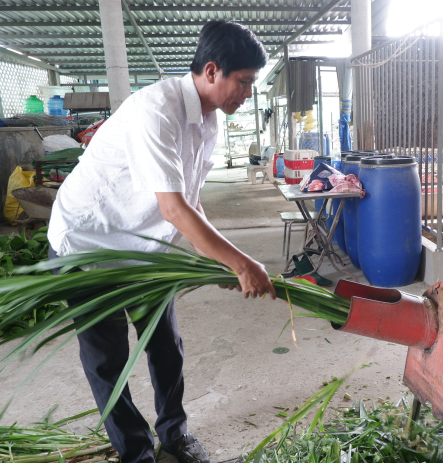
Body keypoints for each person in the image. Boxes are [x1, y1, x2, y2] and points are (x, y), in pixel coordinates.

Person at [47, 20, 276, 463]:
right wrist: (244, 263)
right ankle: (136, 453)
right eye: (244, 82)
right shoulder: (155, 110)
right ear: (212, 71)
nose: (247, 94)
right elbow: (174, 209)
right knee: (108, 361)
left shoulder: (208, 120)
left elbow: (189, 202)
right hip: (89, 245)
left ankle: (175, 434)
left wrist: (223, 260)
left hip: (141, 247)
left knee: (165, 345)